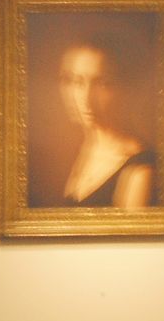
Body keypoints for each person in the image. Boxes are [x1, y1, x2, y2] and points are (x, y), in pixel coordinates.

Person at [56, 36, 156, 208]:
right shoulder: (75, 149)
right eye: (77, 82)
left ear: (124, 89)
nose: (85, 98)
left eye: (102, 84)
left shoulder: (140, 170)